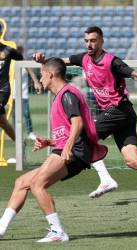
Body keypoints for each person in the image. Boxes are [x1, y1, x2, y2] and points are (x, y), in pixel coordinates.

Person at [33, 26, 137, 205]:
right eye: (86, 41)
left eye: (93, 41)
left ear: (101, 41)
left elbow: (135, 74)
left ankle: (105, 179)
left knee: (83, 134)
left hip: (119, 110)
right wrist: (44, 60)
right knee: (132, 160)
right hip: (122, 115)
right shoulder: (83, 59)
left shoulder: (112, 61)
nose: (89, 44)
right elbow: (58, 65)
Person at [0, 58, 107, 242]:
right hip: (68, 150)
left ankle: (57, 232)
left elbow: (78, 123)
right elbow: (67, 130)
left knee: (37, 185)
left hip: (75, 152)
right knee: (21, 182)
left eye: (42, 75)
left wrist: (67, 146)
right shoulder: (61, 95)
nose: (40, 79)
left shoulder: (68, 94)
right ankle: (1, 228)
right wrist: (50, 142)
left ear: (51, 75)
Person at [11, 45, 41, 140]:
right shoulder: (10, 64)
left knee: (26, 113)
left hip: (23, 93)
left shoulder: (24, 63)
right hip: (12, 94)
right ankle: (16, 132)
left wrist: (36, 81)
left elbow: (31, 72)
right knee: (14, 115)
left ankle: (30, 132)